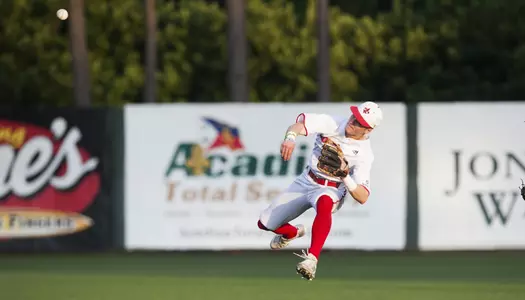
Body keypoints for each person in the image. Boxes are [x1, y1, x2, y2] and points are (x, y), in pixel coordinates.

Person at [256, 101, 383, 280]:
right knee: (264, 223)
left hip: (332, 188)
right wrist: (290, 138)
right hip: (306, 180)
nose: (352, 121)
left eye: (359, 122)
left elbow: (362, 196)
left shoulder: (364, 154)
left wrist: (345, 175)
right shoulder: (333, 123)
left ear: (368, 130)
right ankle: (292, 232)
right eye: (354, 115)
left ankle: (312, 259)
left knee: (324, 202)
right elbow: (299, 124)